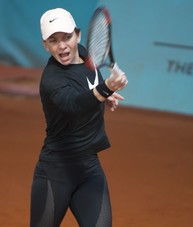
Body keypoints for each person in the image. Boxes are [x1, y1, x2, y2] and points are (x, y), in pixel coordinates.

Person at [30, 8, 128, 227]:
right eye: (53, 40)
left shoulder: (85, 54)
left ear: (78, 35)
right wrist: (105, 89)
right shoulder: (52, 79)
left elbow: (88, 84)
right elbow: (73, 104)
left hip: (89, 169)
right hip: (55, 172)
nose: (62, 45)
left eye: (67, 37)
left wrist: (106, 95)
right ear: (45, 45)